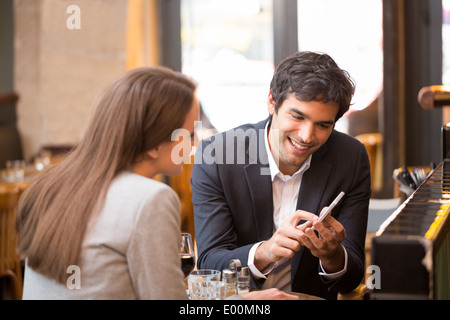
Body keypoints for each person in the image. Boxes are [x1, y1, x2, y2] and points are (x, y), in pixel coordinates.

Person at [16, 66, 297, 300]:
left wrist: (235, 299)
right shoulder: (149, 198)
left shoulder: (50, 185)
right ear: (154, 143)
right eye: (188, 133)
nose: (194, 142)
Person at [191, 51, 371, 300]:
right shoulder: (218, 157)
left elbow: (352, 278)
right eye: (297, 116)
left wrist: (332, 255)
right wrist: (266, 251)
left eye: (323, 125)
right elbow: (210, 264)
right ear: (271, 102)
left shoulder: (350, 157)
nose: (307, 136)